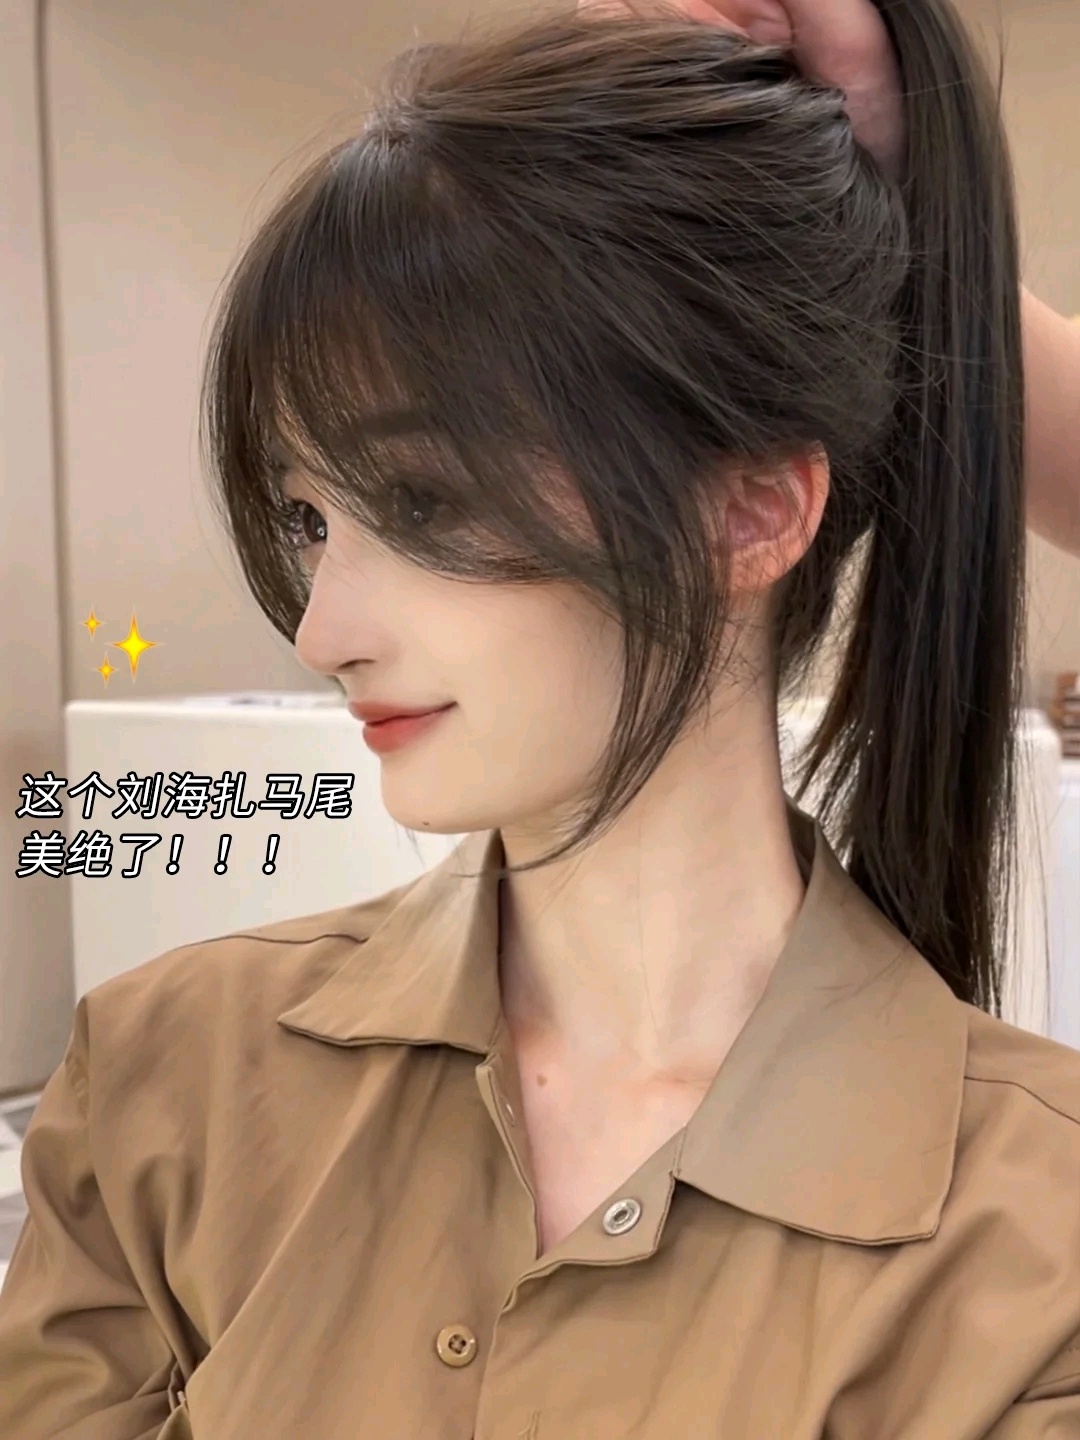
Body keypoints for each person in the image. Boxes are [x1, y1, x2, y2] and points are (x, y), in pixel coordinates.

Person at [1, 1, 1079, 1435]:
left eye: (424, 499)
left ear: (754, 512)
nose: (322, 632)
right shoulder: (165, 1079)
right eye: (311, 522)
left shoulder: (1036, 1239)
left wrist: (937, 234)